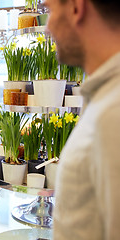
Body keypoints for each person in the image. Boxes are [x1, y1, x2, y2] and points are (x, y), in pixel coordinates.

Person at [44, 0, 120, 239]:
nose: (47, 27)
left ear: (77, 8)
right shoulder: (103, 98)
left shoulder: (113, 113)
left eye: (51, 10)